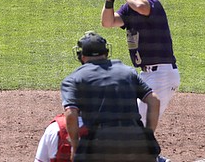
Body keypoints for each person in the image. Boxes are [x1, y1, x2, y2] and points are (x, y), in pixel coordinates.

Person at [101, 0, 181, 161]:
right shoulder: (130, 8)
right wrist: (109, 1)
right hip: (147, 74)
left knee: (135, 122)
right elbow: (108, 22)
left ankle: (152, 158)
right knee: (133, 120)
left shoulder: (152, 4)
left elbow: (142, 7)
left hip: (161, 74)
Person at [61, 31, 161, 162]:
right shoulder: (128, 72)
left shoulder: (73, 79)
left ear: (81, 56)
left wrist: (75, 146)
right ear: (106, 52)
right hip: (135, 140)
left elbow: (70, 113)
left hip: (101, 143)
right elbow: (154, 100)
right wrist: (148, 134)